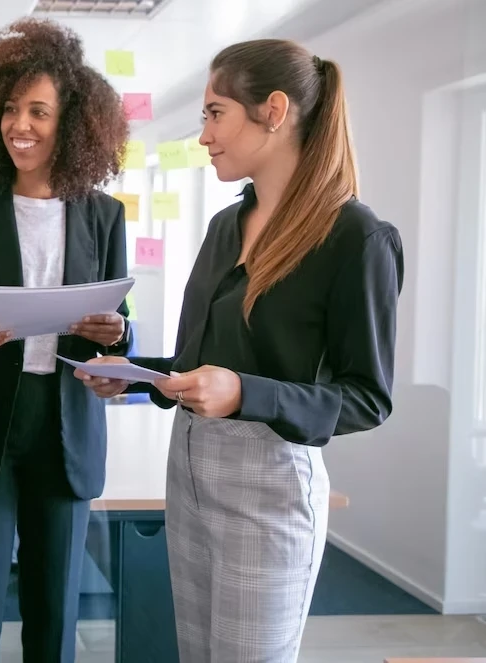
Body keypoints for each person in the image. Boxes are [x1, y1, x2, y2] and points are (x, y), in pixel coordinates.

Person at [76, 39, 404, 661]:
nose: (203, 135)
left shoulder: (356, 238)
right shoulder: (225, 226)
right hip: (189, 470)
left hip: (270, 487)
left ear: (274, 111)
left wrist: (244, 393)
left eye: (215, 113)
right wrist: (136, 375)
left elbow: (367, 399)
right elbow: (201, 360)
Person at [0, 18, 131, 663]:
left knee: (54, 609)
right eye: (10, 109)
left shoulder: (103, 215)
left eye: (39, 111)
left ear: (70, 121)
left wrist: (118, 335)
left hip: (64, 422)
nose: (21, 124)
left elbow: (119, 322)